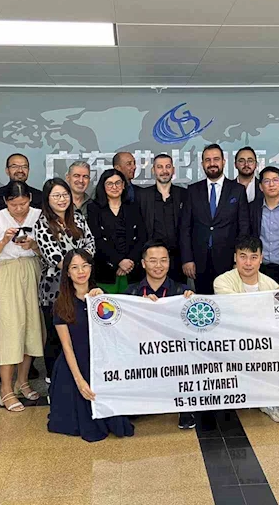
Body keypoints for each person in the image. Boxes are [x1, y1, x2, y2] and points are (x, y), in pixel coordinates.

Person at [48, 249, 135, 442]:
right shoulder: (61, 304)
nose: (81, 271)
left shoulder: (102, 296)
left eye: (85, 266)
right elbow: (67, 346)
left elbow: (117, 333)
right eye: (75, 267)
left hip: (101, 363)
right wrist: (79, 381)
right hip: (74, 365)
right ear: (67, 272)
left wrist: (102, 300)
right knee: (79, 420)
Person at [214, 235, 279, 423]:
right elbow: (239, 308)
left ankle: (270, 400)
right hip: (232, 341)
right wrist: (274, 297)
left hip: (262, 341)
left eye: (253, 257)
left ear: (261, 258)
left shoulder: (271, 284)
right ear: (235, 257)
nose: (248, 263)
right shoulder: (221, 281)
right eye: (243, 256)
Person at [0, 181, 43, 412]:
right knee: (9, 329)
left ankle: (22, 381)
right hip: (7, 271)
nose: (19, 208)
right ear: (6, 202)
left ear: (30, 199)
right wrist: (4, 241)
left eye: (23, 203)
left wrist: (33, 245)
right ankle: (5, 389)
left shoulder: (38, 215)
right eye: (14, 204)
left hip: (33, 268)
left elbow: (48, 248)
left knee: (31, 328)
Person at [125, 239, 196, 429]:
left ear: (169, 262)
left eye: (163, 260)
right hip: (143, 351)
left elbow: (194, 331)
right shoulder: (131, 293)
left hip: (174, 352)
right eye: (153, 260)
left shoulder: (183, 291)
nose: (158, 265)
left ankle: (185, 408)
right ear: (143, 263)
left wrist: (192, 305)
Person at [34, 178, 95, 381]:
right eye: (56, 196)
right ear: (47, 199)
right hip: (55, 289)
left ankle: (82, 378)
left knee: (80, 334)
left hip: (82, 287)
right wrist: (78, 266)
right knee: (55, 338)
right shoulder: (42, 224)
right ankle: (53, 381)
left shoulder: (78, 217)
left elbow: (90, 245)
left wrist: (81, 267)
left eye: (65, 195)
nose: (62, 199)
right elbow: (54, 257)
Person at [181, 143, 250, 293]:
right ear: (202, 164)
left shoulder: (237, 190)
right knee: (204, 302)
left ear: (223, 162)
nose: (212, 163)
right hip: (199, 262)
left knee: (227, 302)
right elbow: (185, 227)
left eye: (216, 159)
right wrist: (187, 259)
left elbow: (243, 228)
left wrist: (238, 259)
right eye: (208, 160)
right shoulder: (193, 190)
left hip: (228, 261)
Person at [88, 169, 147, 293]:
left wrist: (128, 262)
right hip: (105, 272)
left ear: (124, 185)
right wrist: (119, 261)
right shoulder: (94, 208)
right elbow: (96, 239)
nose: (114, 187)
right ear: (103, 186)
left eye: (118, 183)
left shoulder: (133, 207)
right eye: (109, 184)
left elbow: (142, 237)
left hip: (132, 271)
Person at [135, 154, 188, 284]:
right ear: (153, 170)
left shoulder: (184, 194)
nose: (164, 171)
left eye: (168, 167)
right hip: (150, 260)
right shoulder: (142, 196)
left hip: (178, 260)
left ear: (173, 170)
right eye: (160, 167)